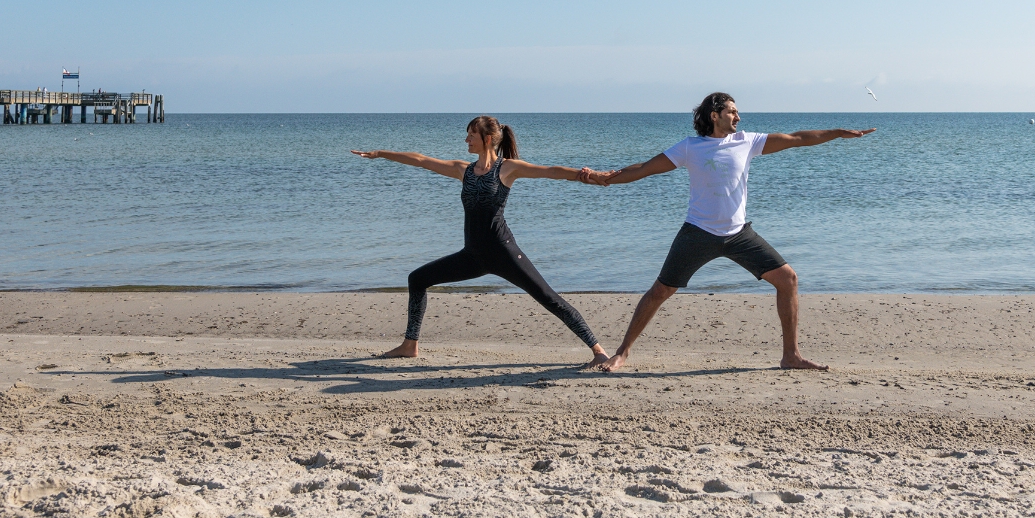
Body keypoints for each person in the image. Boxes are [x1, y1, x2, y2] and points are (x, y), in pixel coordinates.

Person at [587, 92, 875, 372]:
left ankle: (791, 355)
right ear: (715, 116)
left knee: (787, 279)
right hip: (698, 233)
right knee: (661, 290)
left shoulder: (746, 142)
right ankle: (622, 352)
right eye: (732, 111)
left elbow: (796, 139)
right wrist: (607, 179)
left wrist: (836, 133)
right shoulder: (690, 147)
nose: (738, 116)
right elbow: (645, 168)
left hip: (739, 235)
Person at [351, 115, 610, 365]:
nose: (466, 140)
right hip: (472, 256)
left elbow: (550, 171)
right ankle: (410, 345)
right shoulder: (463, 170)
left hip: (503, 253)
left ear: (487, 138)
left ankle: (598, 351)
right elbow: (421, 160)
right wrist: (380, 153)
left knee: (548, 297)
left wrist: (586, 174)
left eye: (471, 135)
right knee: (417, 279)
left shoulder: (507, 168)